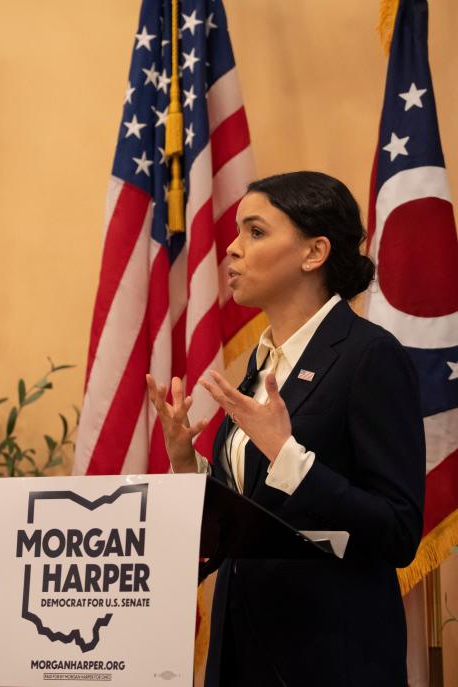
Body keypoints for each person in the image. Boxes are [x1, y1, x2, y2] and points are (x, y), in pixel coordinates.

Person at [146, 171, 424, 686]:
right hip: (241, 652)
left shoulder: (370, 356)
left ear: (313, 252)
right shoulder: (263, 362)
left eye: (255, 232)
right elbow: (253, 514)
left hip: (329, 658)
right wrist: (189, 466)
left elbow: (399, 531)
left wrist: (288, 455)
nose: (231, 249)